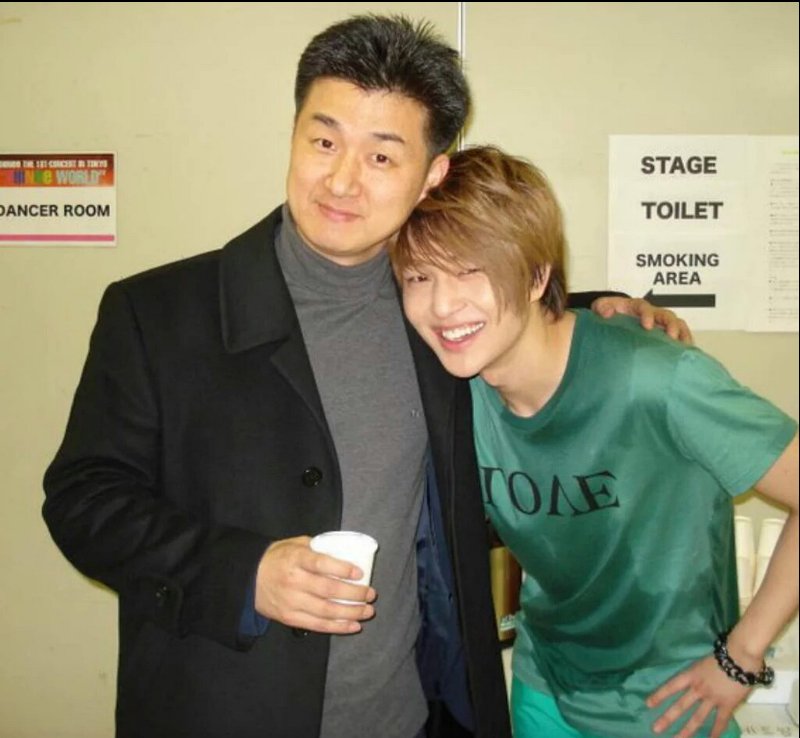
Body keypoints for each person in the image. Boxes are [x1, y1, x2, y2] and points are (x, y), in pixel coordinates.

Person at [43, 16, 688, 738]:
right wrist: (243, 573)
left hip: (407, 719)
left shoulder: (439, 318)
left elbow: (516, 317)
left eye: (382, 156)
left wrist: (602, 314)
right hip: (217, 711)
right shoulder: (158, 314)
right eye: (323, 142)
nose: (342, 180)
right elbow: (82, 501)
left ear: (432, 175)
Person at [391, 145, 799, 738]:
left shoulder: (658, 379)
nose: (442, 305)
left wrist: (743, 655)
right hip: (543, 683)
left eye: (471, 270)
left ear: (537, 276)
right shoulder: (454, 391)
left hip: (673, 703)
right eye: (419, 277)